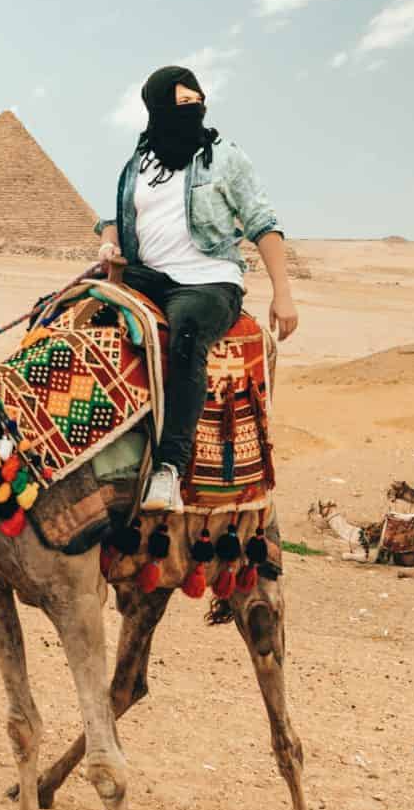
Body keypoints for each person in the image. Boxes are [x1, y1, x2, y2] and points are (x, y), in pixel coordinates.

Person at [97, 65, 300, 512]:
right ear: (157, 108)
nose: (193, 110)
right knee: (78, 310)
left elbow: (263, 222)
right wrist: (108, 246)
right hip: (147, 274)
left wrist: (282, 293)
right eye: (181, 104)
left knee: (186, 333)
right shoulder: (139, 163)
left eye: (197, 102)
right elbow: (113, 218)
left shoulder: (225, 156)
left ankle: (169, 468)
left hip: (208, 280)